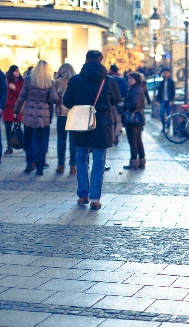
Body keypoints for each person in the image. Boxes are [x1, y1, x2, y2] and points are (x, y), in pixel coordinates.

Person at [63, 50, 122, 210]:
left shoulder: (75, 80)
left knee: (81, 158)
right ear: (101, 61)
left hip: (80, 123)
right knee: (99, 161)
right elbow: (116, 99)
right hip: (101, 123)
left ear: (86, 60)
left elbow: (67, 101)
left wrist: (81, 103)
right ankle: (95, 199)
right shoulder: (108, 81)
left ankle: (83, 195)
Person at [13, 59, 59, 176]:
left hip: (28, 113)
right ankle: (40, 168)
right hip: (42, 116)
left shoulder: (29, 80)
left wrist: (16, 110)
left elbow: (21, 96)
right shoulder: (49, 82)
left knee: (28, 140)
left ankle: (29, 164)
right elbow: (54, 99)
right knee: (41, 142)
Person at [54, 63, 76, 174]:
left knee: (61, 140)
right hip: (73, 114)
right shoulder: (76, 81)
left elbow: (54, 97)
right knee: (73, 141)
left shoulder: (57, 82)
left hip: (61, 114)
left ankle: (60, 164)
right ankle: (73, 166)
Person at [121, 72, 146, 170]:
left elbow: (134, 104)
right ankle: (141, 160)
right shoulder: (138, 88)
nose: (129, 80)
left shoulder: (135, 90)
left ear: (136, 80)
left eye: (131, 79)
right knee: (138, 140)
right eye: (128, 78)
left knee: (133, 141)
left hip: (133, 118)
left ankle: (134, 161)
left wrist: (124, 105)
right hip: (138, 117)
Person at [2, 65, 24, 155]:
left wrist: (15, 89)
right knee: (8, 128)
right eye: (15, 71)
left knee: (18, 127)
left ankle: (21, 143)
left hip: (17, 107)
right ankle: (9, 146)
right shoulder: (6, 81)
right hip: (8, 107)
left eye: (18, 71)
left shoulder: (21, 81)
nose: (17, 72)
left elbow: (22, 93)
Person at [108, 64, 127, 145]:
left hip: (109, 103)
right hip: (119, 103)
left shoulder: (107, 79)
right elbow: (126, 92)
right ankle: (117, 134)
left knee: (111, 121)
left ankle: (111, 137)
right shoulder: (122, 80)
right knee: (119, 121)